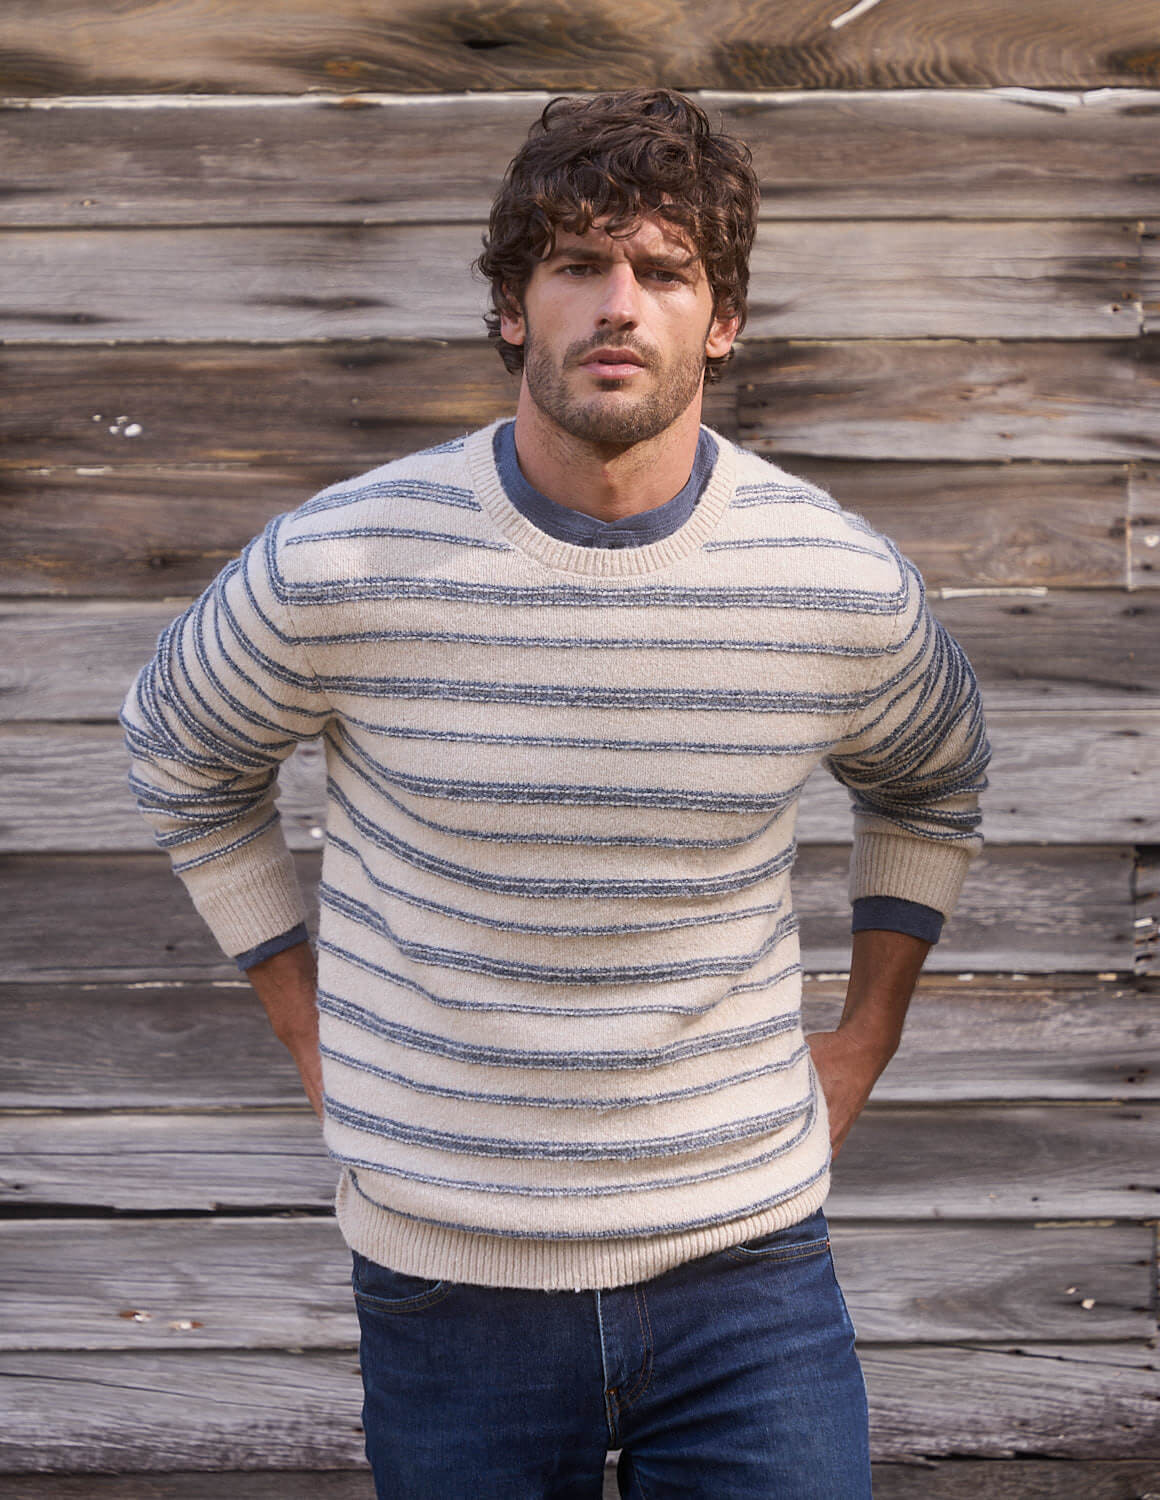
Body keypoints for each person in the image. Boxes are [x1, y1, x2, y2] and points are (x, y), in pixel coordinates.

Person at [122, 88, 990, 1500]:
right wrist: (306, 1024)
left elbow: (932, 783)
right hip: (448, 1278)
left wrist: (867, 1036)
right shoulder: (341, 563)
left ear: (723, 321)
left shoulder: (832, 581)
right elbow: (180, 751)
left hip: (746, 1272)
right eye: (578, 263)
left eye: (664, 271)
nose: (618, 304)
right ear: (514, 307)